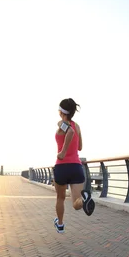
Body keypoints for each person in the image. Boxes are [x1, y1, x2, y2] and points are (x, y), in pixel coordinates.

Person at [53, 98, 95, 233]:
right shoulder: (77, 126)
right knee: (77, 203)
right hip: (76, 168)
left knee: (60, 198)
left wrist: (63, 152)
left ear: (62, 111)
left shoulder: (62, 124)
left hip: (62, 167)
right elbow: (80, 147)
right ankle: (84, 199)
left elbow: (69, 132)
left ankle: (60, 224)